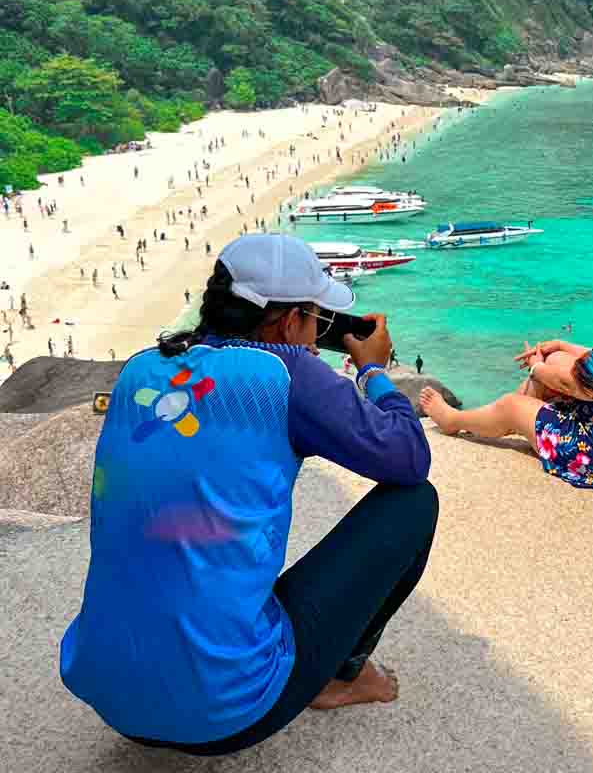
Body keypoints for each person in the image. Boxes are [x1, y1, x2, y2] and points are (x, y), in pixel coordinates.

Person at [60, 235, 438, 756]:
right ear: (288, 322)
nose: (315, 334)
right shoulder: (288, 374)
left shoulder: (140, 370)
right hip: (226, 714)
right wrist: (373, 369)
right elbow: (408, 459)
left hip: (108, 695)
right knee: (415, 504)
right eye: (315, 319)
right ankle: (340, 678)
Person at [420, 248, 593, 490]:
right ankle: (516, 420)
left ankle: (455, 420)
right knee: (558, 359)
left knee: (511, 404)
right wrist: (561, 345)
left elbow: (572, 385)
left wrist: (536, 367)